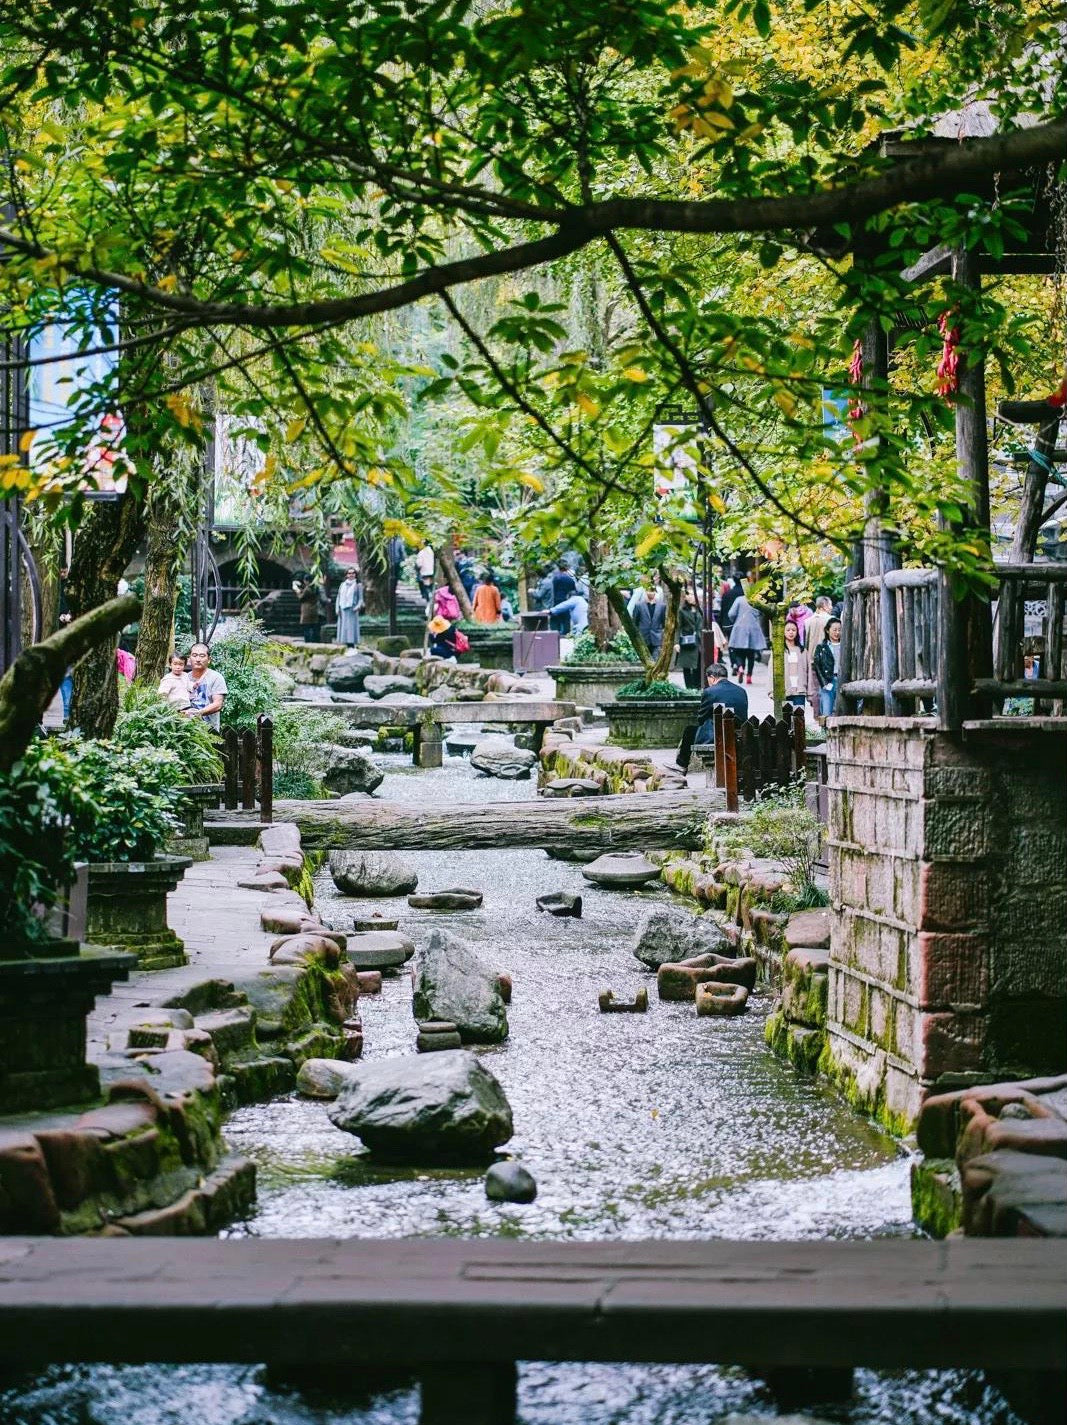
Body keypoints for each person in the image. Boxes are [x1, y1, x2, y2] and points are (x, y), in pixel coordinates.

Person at [673, 661, 749, 775]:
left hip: (718, 735)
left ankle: (681, 765)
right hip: (738, 734)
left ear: (712, 678)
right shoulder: (741, 691)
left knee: (689, 730)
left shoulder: (710, 692)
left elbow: (701, 718)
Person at [184, 643, 227, 730]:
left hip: (209, 731)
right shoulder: (183, 678)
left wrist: (198, 713)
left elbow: (218, 704)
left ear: (209, 659)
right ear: (189, 659)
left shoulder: (216, 677)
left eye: (202, 656)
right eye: (194, 655)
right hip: (185, 730)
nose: (198, 659)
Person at [727, 595, 766, 683]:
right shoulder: (756, 599)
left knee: (738, 652)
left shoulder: (739, 599)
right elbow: (761, 612)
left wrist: (735, 620)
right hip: (753, 628)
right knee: (751, 654)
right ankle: (749, 675)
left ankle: (740, 667)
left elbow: (731, 613)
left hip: (740, 627)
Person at [811, 616, 842, 720]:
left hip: (843, 680)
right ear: (827, 630)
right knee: (826, 711)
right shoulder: (821, 647)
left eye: (839, 630)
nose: (837, 632)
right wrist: (824, 683)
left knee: (841, 711)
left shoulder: (845, 646)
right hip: (829, 681)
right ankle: (825, 734)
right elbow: (817, 666)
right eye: (834, 630)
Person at [675, 588, 704, 690]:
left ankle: (697, 687)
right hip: (687, 641)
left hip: (699, 642)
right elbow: (678, 627)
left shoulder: (700, 610)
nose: (691, 597)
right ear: (686, 597)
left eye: (693, 594)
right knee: (687, 665)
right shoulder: (682, 611)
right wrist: (677, 642)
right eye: (689, 595)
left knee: (699, 665)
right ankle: (689, 687)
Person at [783, 617, 809, 710]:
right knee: (786, 720)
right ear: (783, 632)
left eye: (793, 630)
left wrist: (810, 691)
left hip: (799, 691)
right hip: (785, 690)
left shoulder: (803, 651)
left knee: (799, 718)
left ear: (797, 632)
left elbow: (808, 671)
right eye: (788, 630)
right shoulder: (779, 651)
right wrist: (771, 691)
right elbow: (771, 672)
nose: (791, 632)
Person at [631, 584, 666, 656]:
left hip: (656, 638)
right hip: (643, 637)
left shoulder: (662, 606)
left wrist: (661, 634)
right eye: (648, 590)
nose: (650, 593)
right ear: (645, 592)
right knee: (645, 661)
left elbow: (663, 622)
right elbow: (635, 622)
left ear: (655, 592)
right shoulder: (639, 605)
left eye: (652, 591)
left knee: (655, 660)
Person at [335, 567, 363, 648]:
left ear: (355, 575)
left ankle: (351, 645)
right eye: (349, 573)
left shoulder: (358, 585)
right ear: (346, 575)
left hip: (352, 609)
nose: (351, 575)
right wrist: (337, 608)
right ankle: (345, 644)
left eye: (353, 573)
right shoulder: (342, 585)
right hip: (342, 608)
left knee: (351, 628)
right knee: (343, 628)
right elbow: (338, 597)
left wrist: (357, 607)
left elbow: (360, 599)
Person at [548, 561, 577, 634]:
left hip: (556, 601)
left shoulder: (555, 578)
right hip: (566, 601)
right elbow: (573, 592)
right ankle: (566, 635)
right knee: (566, 620)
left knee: (555, 620)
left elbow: (553, 591)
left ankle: (554, 636)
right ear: (567, 569)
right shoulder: (570, 579)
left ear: (559, 568)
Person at [294, 575, 324, 643]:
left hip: (306, 611)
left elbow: (301, 598)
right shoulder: (315, 587)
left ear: (307, 581)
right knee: (314, 627)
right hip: (314, 609)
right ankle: (315, 641)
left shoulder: (307, 589)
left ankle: (307, 642)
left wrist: (297, 591)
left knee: (306, 627)